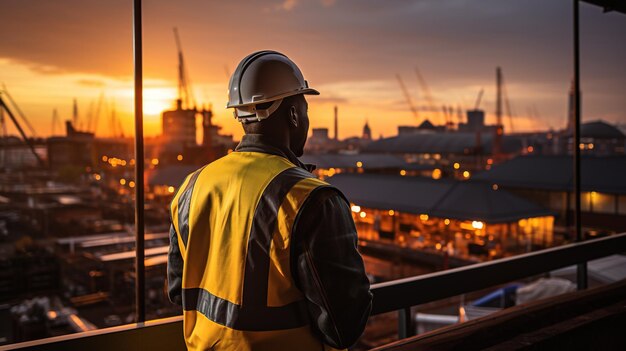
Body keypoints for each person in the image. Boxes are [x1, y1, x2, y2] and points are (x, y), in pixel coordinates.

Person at [167, 50, 372, 351]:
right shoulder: (312, 199)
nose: (306, 119)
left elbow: (177, 291)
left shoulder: (192, 186)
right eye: (304, 108)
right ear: (292, 114)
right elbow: (344, 326)